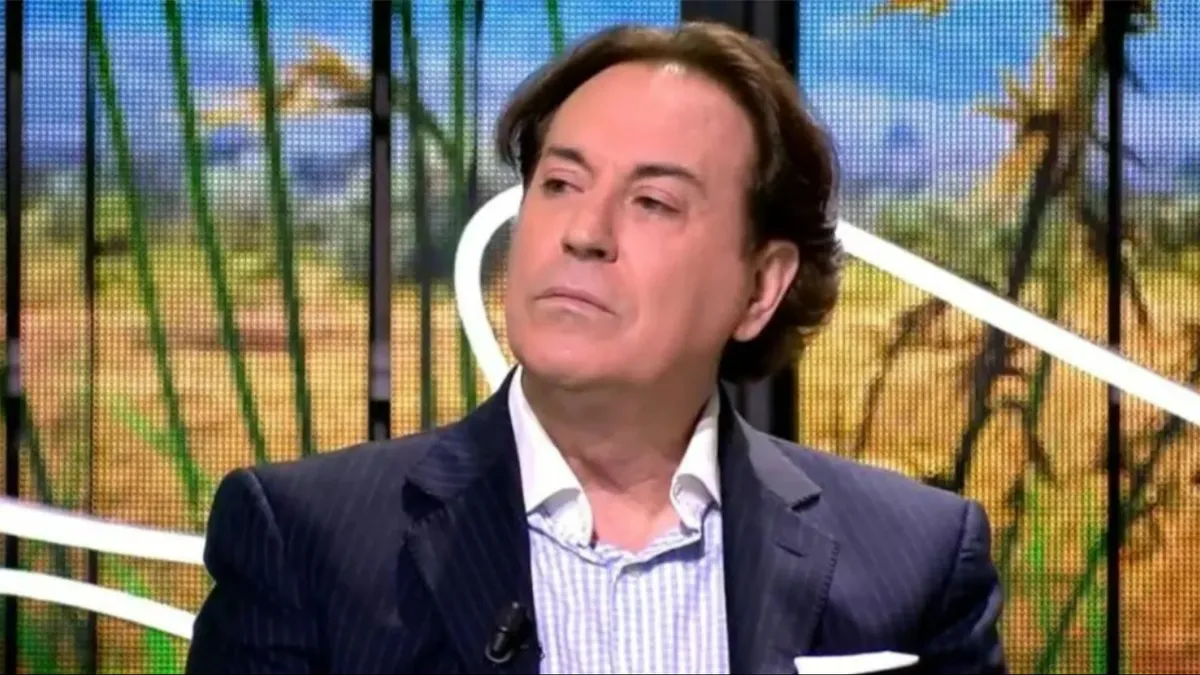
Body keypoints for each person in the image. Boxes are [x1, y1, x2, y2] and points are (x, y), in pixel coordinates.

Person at [185, 21, 1005, 675]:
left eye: (652, 202)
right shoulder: (308, 544)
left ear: (760, 287)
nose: (583, 231)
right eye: (560, 183)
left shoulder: (916, 562)